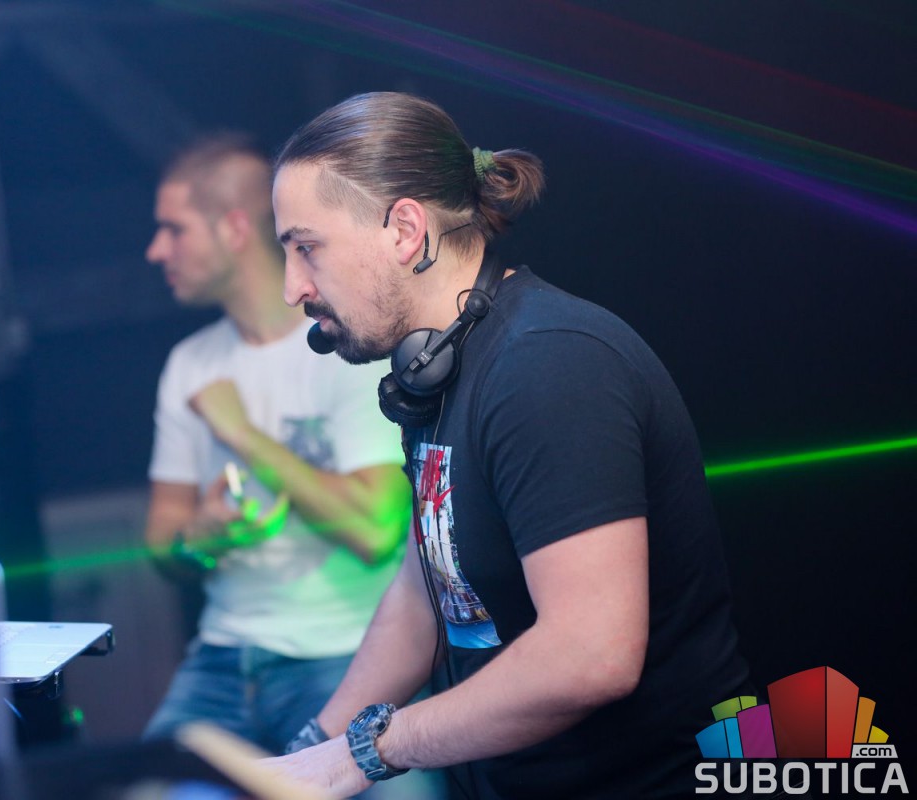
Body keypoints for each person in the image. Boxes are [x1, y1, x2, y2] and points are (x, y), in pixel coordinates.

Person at [264, 92, 751, 798]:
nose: (293, 287)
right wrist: (309, 752)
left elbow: (589, 655)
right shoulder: (438, 370)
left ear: (404, 230)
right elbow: (427, 588)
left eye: (306, 247)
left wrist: (363, 755)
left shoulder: (548, 365)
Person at [140, 134, 433, 781]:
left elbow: (375, 532)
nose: (156, 250)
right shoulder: (188, 364)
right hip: (223, 655)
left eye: (174, 229)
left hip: (346, 653)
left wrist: (243, 434)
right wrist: (202, 536)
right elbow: (162, 545)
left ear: (234, 229)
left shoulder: (348, 342)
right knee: (137, 788)